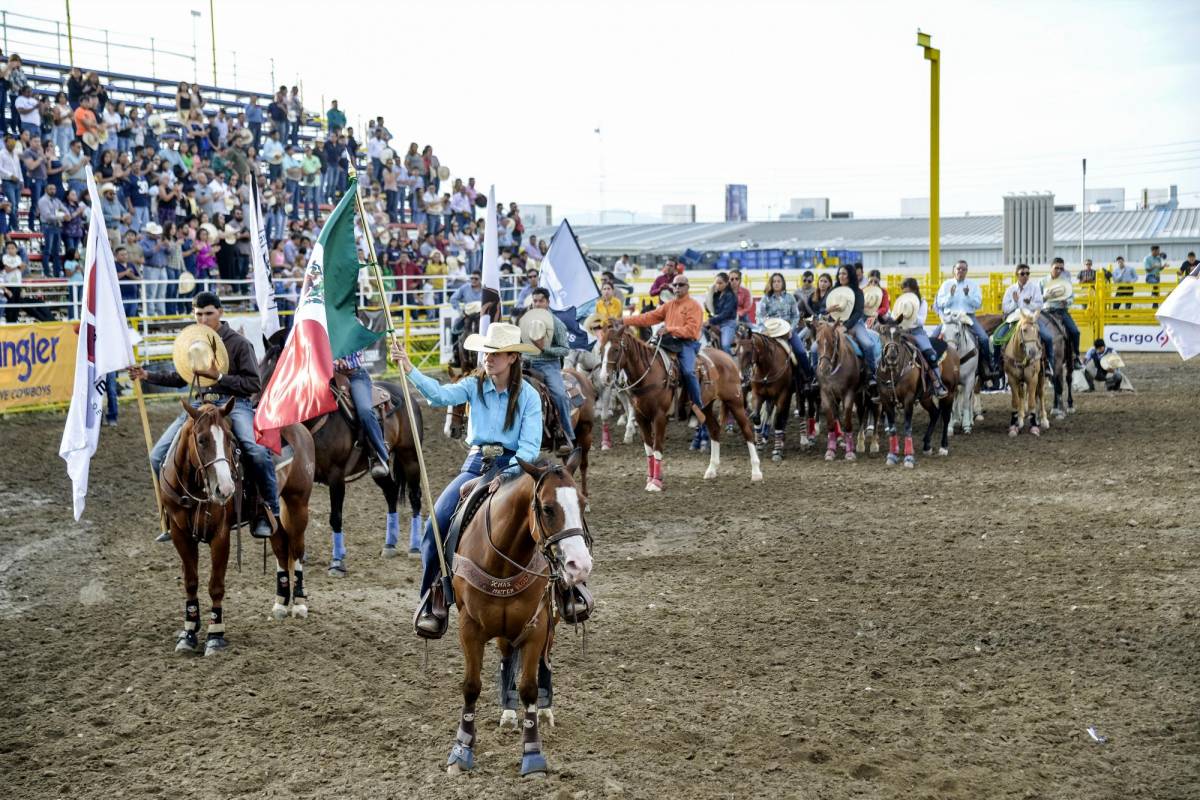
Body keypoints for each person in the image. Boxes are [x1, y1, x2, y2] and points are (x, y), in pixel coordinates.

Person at [391, 323, 542, 636]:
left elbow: (529, 448)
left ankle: (567, 590)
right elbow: (438, 396)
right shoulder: (474, 385)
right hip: (476, 463)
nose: (488, 357)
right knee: (437, 525)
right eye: (486, 351)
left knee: (553, 518)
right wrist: (409, 368)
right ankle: (433, 599)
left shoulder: (528, 396)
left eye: (496, 353)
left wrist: (505, 476)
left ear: (512, 357)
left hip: (514, 466)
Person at [130, 292, 279, 542]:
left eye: (208, 313)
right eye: (198, 314)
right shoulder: (193, 342)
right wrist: (148, 376)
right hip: (200, 409)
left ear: (220, 312)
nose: (203, 318)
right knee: (157, 457)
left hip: (234, 406)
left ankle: (268, 509)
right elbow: (181, 377)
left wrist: (219, 377)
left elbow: (253, 384)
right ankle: (174, 514)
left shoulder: (240, 344)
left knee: (255, 451)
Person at [621, 273, 706, 423]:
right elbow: (648, 317)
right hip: (668, 343)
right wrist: (625, 320)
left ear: (687, 287)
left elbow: (692, 330)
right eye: (675, 285)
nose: (677, 288)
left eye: (681, 285)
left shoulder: (694, 306)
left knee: (688, 372)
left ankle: (697, 405)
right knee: (648, 361)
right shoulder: (669, 305)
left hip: (686, 343)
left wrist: (670, 329)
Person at [524, 288, 576, 453]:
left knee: (559, 395)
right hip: (525, 364)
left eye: (541, 300)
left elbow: (565, 350)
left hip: (548, 365)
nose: (537, 303)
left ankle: (566, 435)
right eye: (535, 300)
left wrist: (544, 348)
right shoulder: (525, 322)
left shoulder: (556, 324)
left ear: (547, 302)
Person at [933, 260, 994, 383]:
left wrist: (967, 296)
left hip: (968, 317)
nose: (960, 271)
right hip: (949, 318)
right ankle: (932, 369)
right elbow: (940, 303)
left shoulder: (973, 285)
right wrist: (950, 296)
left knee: (984, 338)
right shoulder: (946, 285)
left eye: (963, 269)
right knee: (933, 338)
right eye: (958, 269)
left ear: (966, 271)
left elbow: (978, 304)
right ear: (954, 270)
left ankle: (986, 366)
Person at [334, 348, 390, 478]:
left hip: (354, 376)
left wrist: (336, 361)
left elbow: (355, 358)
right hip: (328, 376)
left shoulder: (353, 328)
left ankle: (379, 453)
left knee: (365, 410)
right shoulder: (324, 328)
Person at [892, 278, 948, 398]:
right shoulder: (900, 303)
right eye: (904, 292)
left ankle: (937, 383)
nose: (906, 295)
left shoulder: (922, 302)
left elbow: (921, 320)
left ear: (915, 290)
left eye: (909, 292)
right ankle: (881, 383)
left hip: (917, 332)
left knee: (931, 354)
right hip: (901, 332)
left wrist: (909, 314)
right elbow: (893, 317)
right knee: (886, 350)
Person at [826, 264, 879, 389]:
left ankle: (872, 374)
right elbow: (824, 310)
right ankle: (816, 376)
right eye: (839, 273)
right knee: (814, 348)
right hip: (834, 324)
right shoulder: (833, 291)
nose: (841, 276)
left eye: (844, 273)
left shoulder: (857, 292)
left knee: (868, 344)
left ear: (850, 275)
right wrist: (827, 310)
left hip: (854, 323)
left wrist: (845, 326)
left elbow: (858, 312)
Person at [758, 272, 814, 387]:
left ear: (783, 283)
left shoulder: (790, 298)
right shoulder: (765, 299)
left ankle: (809, 378)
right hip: (771, 331)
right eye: (774, 281)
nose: (777, 283)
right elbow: (760, 316)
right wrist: (764, 329)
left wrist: (790, 329)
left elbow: (795, 315)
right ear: (771, 283)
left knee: (800, 351)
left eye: (779, 281)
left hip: (788, 330)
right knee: (757, 351)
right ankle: (753, 378)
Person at [997, 264, 1055, 374]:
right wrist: (1015, 302)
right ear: (1016, 275)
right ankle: (997, 366)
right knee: (997, 339)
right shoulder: (1010, 290)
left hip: (1031, 319)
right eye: (1022, 273)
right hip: (1014, 318)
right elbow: (1005, 308)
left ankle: (1048, 364)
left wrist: (1026, 303)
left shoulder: (1035, 288)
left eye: (1027, 273)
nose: (1025, 276)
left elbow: (1039, 305)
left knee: (1048, 337)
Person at [1039, 257, 1081, 368]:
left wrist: (1066, 302)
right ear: (1051, 268)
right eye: (1056, 268)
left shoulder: (1066, 282)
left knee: (1075, 332)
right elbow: (1037, 300)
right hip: (1045, 312)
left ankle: (1075, 356)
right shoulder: (1042, 281)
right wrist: (1045, 297)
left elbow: (1072, 298)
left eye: (1061, 269)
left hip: (1061, 311)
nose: (1058, 270)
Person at [706, 271, 738, 353]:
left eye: (720, 283)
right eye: (716, 283)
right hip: (717, 322)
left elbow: (725, 314)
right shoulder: (715, 295)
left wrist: (711, 321)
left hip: (728, 324)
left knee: (725, 345)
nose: (718, 285)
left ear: (727, 283)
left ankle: (731, 364)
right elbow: (712, 310)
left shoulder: (730, 296)